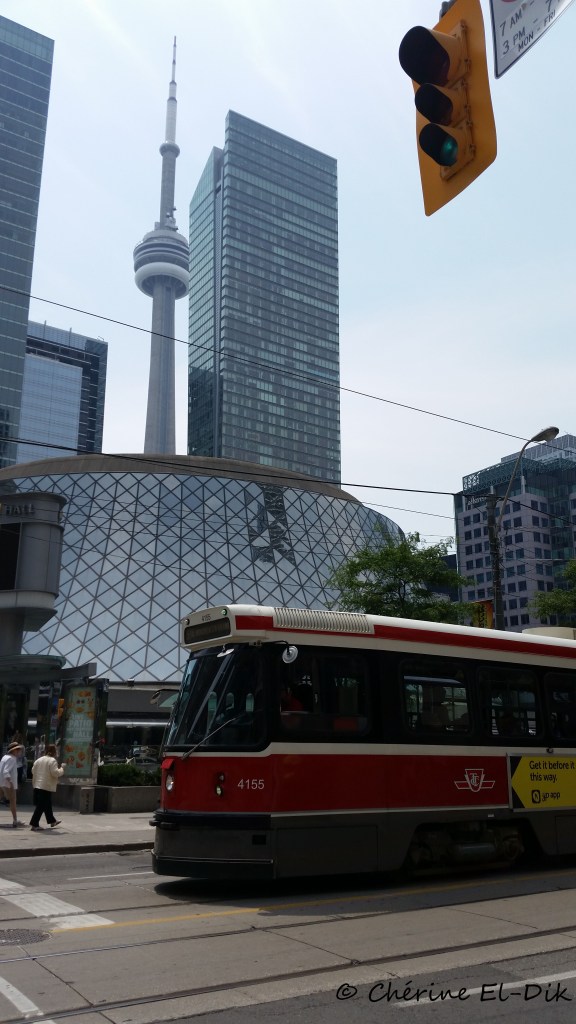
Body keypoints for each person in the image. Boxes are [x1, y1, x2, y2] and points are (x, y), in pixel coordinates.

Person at [29, 744, 65, 831]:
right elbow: (55, 773)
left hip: (37, 785)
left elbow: (33, 771)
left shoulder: (39, 760)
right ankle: (34, 824)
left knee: (47, 804)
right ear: (54, 752)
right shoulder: (52, 761)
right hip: (46, 786)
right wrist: (62, 768)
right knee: (41, 806)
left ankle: (52, 821)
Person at [0, 742, 26, 828]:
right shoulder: (12, 759)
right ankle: (15, 820)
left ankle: (15, 820)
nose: (20, 752)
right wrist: (10, 782)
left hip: (1, 782)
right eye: (19, 750)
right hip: (8, 784)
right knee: (13, 801)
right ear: (15, 750)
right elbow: (6, 771)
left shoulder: (5, 757)